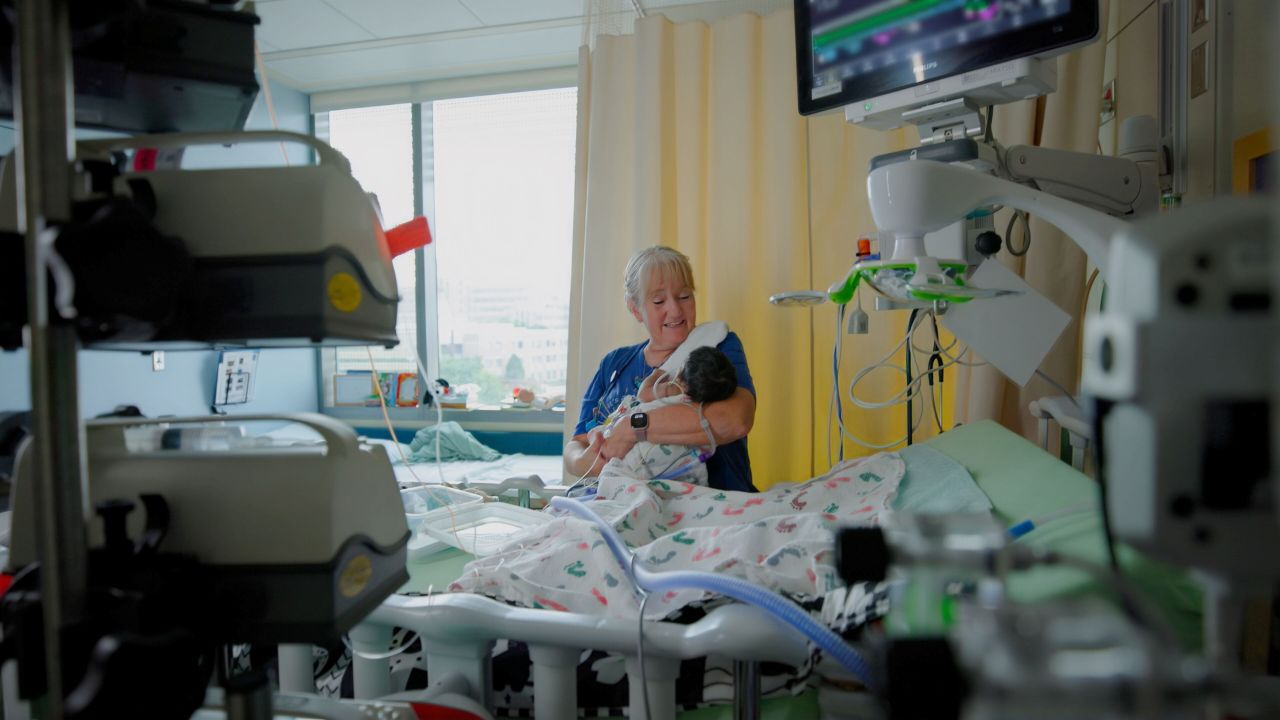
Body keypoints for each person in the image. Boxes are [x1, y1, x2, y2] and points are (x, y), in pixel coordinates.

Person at [564, 246, 757, 491]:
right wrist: (589, 461)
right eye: (658, 300)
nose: (675, 310)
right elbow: (577, 445)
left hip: (709, 509)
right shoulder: (613, 364)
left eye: (684, 296)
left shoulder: (716, 347)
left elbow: (735, 420)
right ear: (635, 309)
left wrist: (632, 428)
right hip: (619, 501)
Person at [574, 345, 738, 488]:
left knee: (606, 427)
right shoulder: (699, 407)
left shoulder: (675, 390)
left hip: (626, 458)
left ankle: (600, 441)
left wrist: (659, 372)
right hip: (680, 478)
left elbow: (643, 394)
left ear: (681, 377)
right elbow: (576, 445)